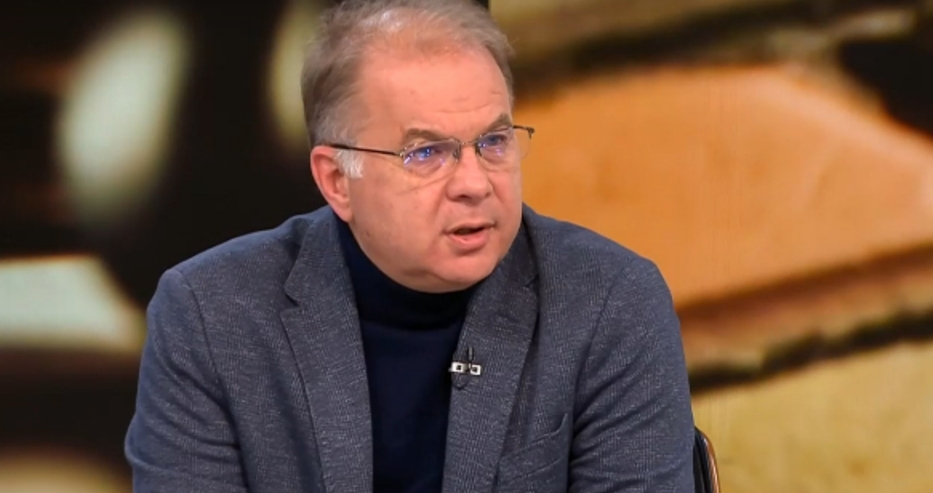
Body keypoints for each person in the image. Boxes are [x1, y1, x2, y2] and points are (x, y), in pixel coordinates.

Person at [124, 0, 696, 491]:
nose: (475, 183)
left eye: (494, 142)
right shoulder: (211, 316)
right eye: (426, 153)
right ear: (337, 180)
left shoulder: (610, 302)